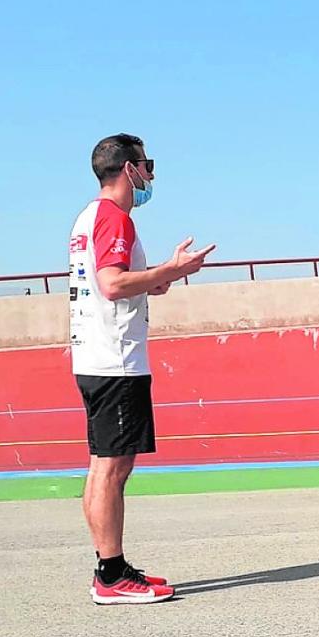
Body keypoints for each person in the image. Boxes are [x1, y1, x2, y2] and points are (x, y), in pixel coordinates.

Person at [70, 133, 215, 605]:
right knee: (113, 468)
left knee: (102, 467)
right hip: (116, 361)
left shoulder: (89, 217)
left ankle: (109, 566)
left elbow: (123, 284)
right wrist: (170, 271)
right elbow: (112, 284)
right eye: (147, 165)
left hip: (95, 357)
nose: (151, 175)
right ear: (129, 168)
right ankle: (111, 577)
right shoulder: (114, 218)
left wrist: (163, 274)